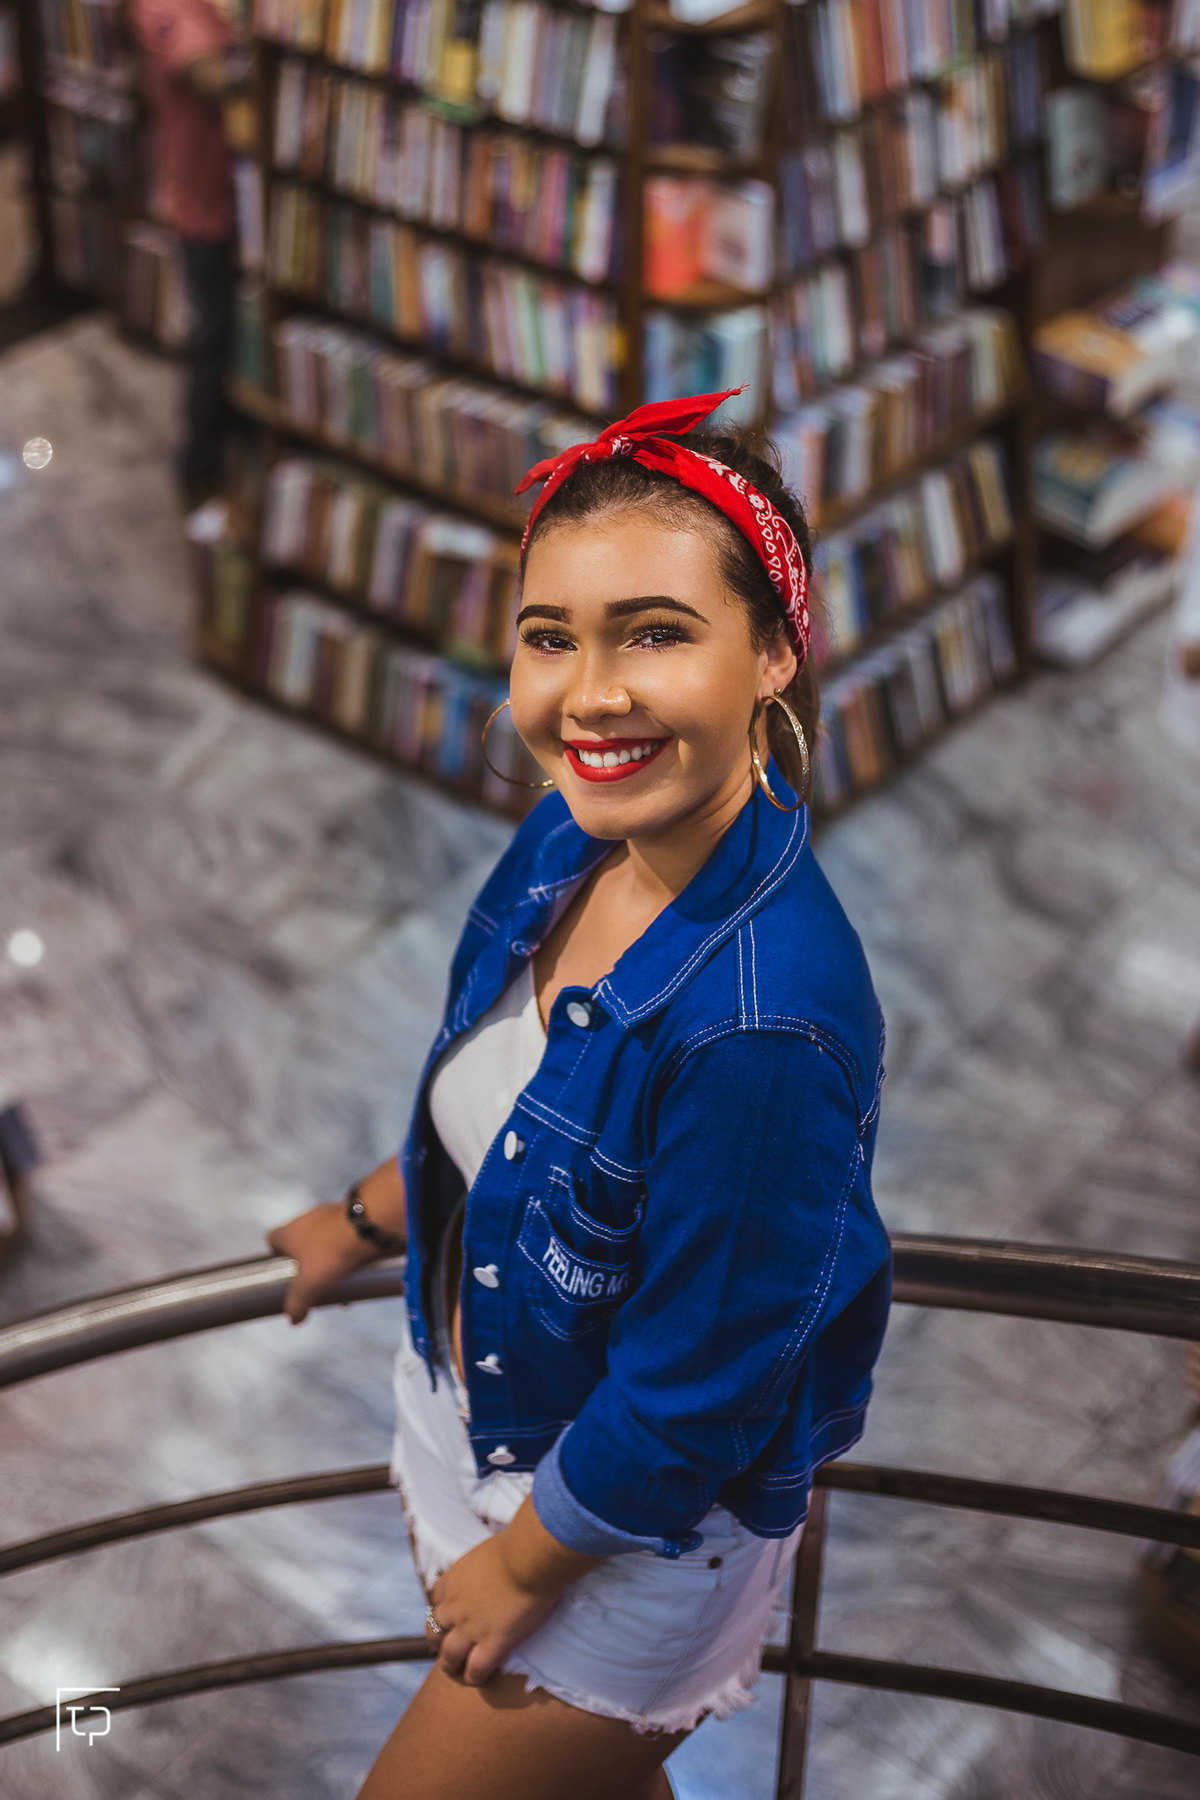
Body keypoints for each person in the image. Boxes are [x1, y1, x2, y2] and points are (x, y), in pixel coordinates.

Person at [268, 390, 893, 1800]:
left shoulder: (764, 1027)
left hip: (613, 1536)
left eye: (656, 632)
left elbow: (703, 1388)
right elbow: (501, 1114)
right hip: (488, 1419)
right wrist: (361, 1222)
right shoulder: (569, 840)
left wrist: (518, 1570)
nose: (588, 695)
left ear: (775, 654)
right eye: (551, 636)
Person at [128, 0, 245, 504]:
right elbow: (207, 76)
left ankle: (239, 442)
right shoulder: (161, 6)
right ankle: (201, 466)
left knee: (238, 331)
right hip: (204, 204)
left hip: (246, 198)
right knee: (213, 336)